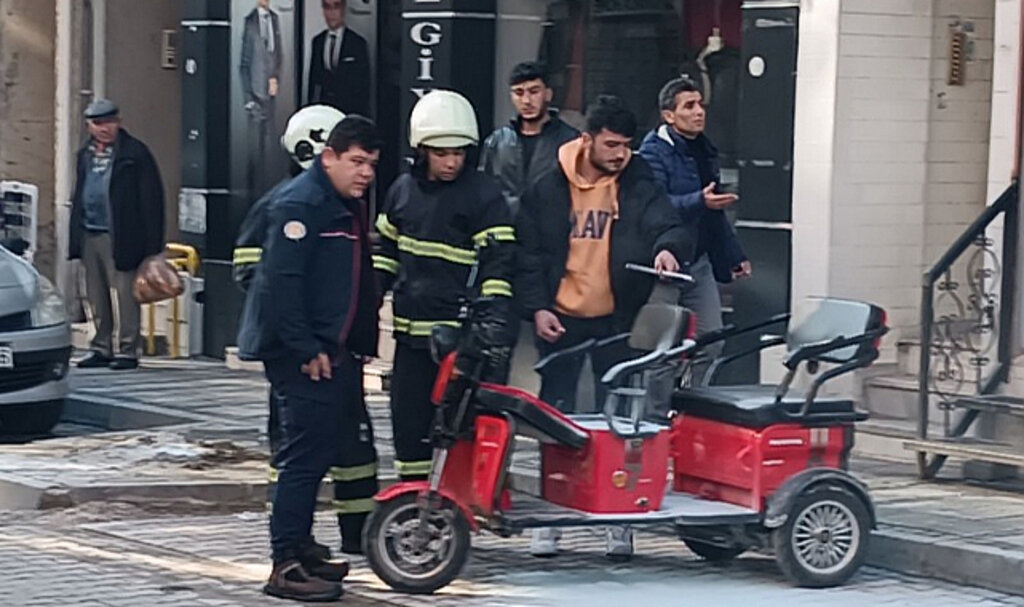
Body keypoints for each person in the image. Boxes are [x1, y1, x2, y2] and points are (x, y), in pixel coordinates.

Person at [516, 95, 692, 559]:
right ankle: (552, 518)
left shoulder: (637, 181)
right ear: (587, 140)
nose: (620, 154)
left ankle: (619, 519)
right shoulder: (548, 187)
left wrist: (668, 248)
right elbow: (528, 256)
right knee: (556, 420)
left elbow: (667, 223)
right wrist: (538, 309)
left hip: (616, 319)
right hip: (561, 318)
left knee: (620, 420)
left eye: (627, 145)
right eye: (611, 145)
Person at [238, 116, 382, 602]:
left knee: (319, 453)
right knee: (302, 459)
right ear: (329, 157)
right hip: (303, 356)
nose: (366, 173)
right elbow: (282, 284)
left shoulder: (341, 202)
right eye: (357, 162)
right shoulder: (301, 203)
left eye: (372, 164)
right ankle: (286, 565)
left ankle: (302, 546)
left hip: (332, 352)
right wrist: (307, 349)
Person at [373, 90, 515, 482]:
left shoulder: (484, 196)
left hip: (462, 343)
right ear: (422, 150)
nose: (452, 162)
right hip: (410, 338)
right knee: (408, 422)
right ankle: (415, 496)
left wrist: (491, 322)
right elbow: (385, 254)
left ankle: (459, 500)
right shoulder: (401, 191)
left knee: (461, 427)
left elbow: (498, 263)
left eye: (458, 152)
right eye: (441, 153)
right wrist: (370, 298)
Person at [234, 104, 346, 568]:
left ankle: (298, 542)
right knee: (294, 447)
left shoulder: (329, 202)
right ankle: (288, 552)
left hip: (308, 344)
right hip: (292, 347)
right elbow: (261, 275)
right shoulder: (290, 203)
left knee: (309, 447)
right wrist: (297, 333)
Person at [638, 76, 749, 374]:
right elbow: (655, 205)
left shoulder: (704, 149)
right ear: (669, 115)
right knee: (662, 351)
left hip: (698, 260)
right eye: (689, 106)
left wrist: (734, 254)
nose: (699, 112)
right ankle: (659, 404)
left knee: (711, 340)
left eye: (700, 104)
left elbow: (713, 214)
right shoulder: (652, 152)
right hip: (666, 262)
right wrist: (699, 200)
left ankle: (691, 397)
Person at [69, 99, 164, 371]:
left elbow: (152, 200)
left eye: (109, 122)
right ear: (89, 126)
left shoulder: (134, 154)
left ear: (119, 122)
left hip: (122, 234)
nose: (105, 128)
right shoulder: (84, 155)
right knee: (95, 295)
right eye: (98, 123)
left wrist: (152, 247)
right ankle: (100, 347)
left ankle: (127, 349)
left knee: (124, 295)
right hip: (90, 231)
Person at [479, 61, 579, 215]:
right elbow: (483, 189)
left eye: (534, 92)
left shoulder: (570, 140)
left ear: (548, 94)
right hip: (505, 224)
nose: (526, 101)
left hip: (552, 224)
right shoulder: (497, 141)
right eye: (519, 93)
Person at [240, 0, 284, 197]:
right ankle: (252, 193)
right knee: (254, 151)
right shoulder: (249, 22)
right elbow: (244, 64)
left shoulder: (274, 19)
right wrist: (249, 98)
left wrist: (276, 77)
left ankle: (268, 192)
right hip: (256, 94)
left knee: (270, 149)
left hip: (270, 94)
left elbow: (278, 54)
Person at [307, 0, 371, 115]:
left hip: (349, 110)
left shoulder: (357, 43)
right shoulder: (318, 42)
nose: (332, 13)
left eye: (336, 7)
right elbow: (313, 81)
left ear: (343, 9)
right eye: (327, 7)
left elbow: (364, 86)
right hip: (325, 110)